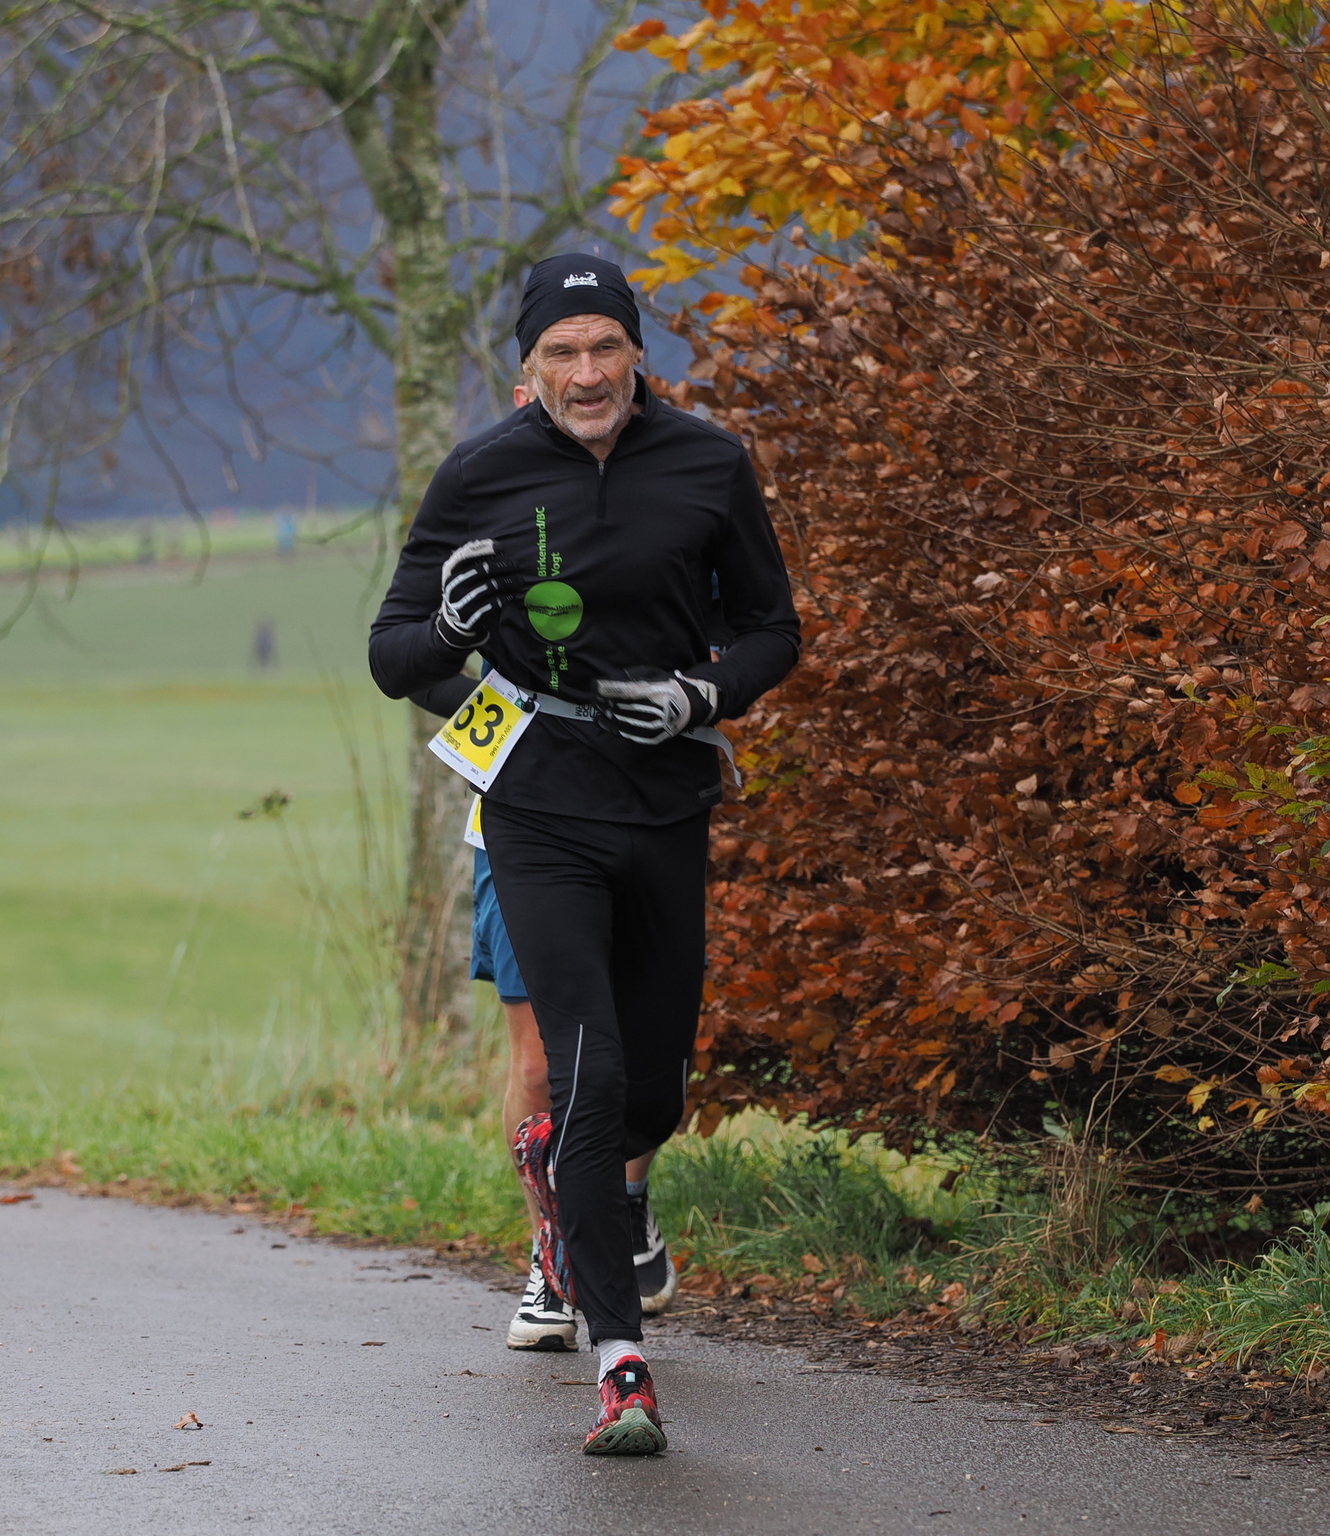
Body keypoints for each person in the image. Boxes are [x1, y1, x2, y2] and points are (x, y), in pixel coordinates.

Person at [370, 252, 800, 1456]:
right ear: (529, 370)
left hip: (662, 800)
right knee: (586, 1076)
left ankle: (583, 1181)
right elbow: (392, 653)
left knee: (654, 1088)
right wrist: (447, 632)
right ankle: (620, 1364)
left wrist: (702, 693)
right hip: (538, 804)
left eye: (604, 345)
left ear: (637, 356)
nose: (586, 371)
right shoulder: (482, 474)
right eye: (560, 352)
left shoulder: (707, 462)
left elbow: (771, 629)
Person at [407, 669, 679, 1356]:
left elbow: (737, 645)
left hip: (642, 812)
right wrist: (527, 713)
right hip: (520, 821)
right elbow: (411, 655)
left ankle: (624, 1201)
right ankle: (553, 1250)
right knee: (538, 1065)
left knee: (637, 1049)